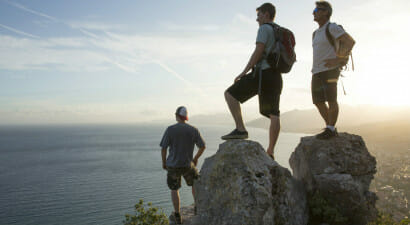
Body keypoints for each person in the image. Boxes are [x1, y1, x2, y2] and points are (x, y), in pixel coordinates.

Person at [221, 2, 282, 159]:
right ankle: (271, 150)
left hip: (263, 74)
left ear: (266, 14)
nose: (257, 19)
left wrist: (244, 72)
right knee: (274, 114)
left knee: (230, 94)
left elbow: (258, 51)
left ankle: (241, 129)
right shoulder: (278, 31)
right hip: (276, 76)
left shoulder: (264, 29)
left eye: (259, 15)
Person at [311, 1, 355, 139]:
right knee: (317, 101)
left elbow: (350, 42)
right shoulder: (315, 33)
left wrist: (338, 60)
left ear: (326, 12)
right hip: (316, 71)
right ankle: (330, 127)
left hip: (330, 70)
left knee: (331, 99)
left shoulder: (332, 27)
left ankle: (330, 128)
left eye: (317, 9)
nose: (314, 12)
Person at [160, 106, 206, 224]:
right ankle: (197, 206)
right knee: (195, 183)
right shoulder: (193, 129)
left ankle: (177, 214)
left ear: (177, 116)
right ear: (185, 117)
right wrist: (195, 159)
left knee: (174, 189)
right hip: (187, 165)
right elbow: (202, 146)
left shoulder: (170, 129)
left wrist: (164, 162)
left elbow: (164, 148)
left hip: (173, 166)